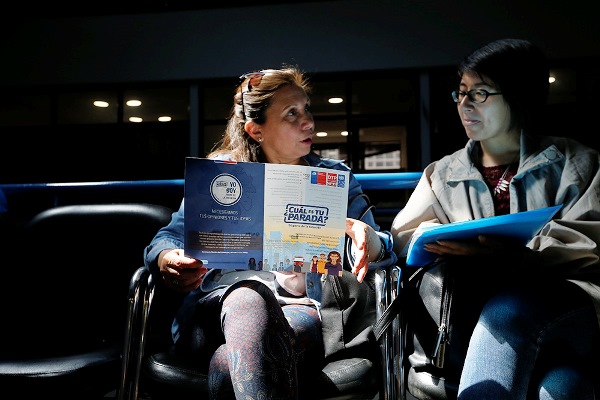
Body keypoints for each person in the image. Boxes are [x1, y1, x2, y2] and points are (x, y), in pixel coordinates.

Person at [143, 66, 396, 399]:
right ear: (256, 130)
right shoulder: (223, 175)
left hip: (301, 308)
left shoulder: (334, 178)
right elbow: (166, 239)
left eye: (306, 110)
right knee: (248, 298)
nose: (308, 122)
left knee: (228, 364)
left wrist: (370, 239)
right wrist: (167, 258)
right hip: (216, 310)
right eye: (292, 113)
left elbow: (379, 249)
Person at [389, 38, 600, 399]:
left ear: (519, 96)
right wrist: (436, 238)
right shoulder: (441, 174)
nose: (465, 104)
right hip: (472, 309)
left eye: (480, 93)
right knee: (562, 387)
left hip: (567, 307)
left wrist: (516, 257)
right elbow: (405, 236)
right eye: (461, 92)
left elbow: (589, 243)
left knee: (510, 310)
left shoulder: (576, 163)